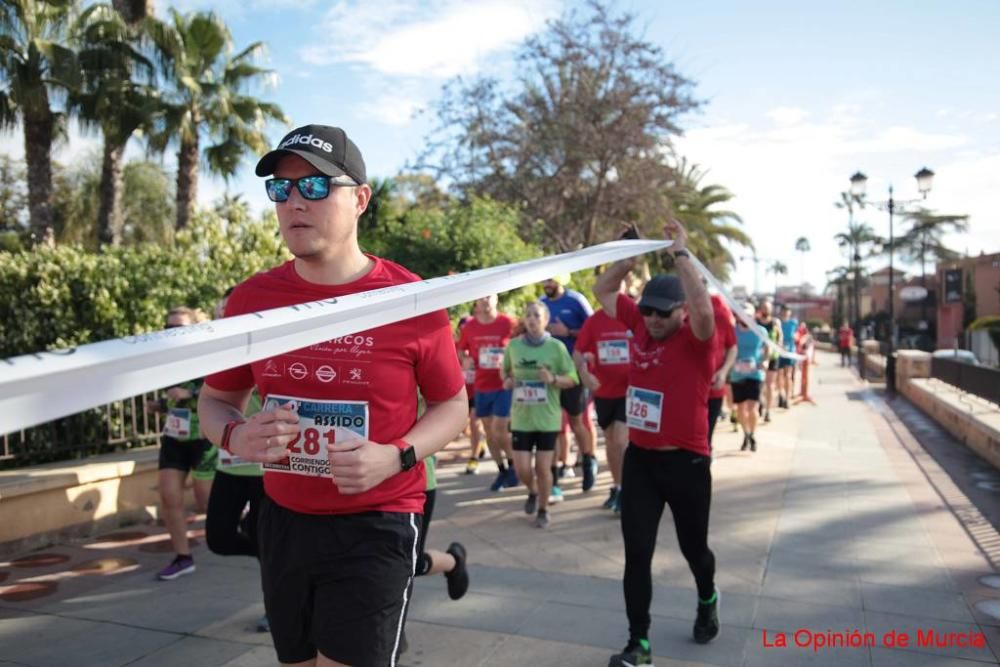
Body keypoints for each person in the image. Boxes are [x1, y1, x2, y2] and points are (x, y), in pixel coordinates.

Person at [197, 124, 468, 667]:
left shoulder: (410, 298)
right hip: (284, 517)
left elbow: (452, 405)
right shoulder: (254, 299)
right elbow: (216, 399)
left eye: (315, 186)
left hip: (380, 517)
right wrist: (236, 435)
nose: (295, 201)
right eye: (282, 189)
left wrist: (396, 455)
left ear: (360, 199)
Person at [595, 220, 720, 667]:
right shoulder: (641, 326)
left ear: (681, 311)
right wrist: (627, 258)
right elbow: (604, 290)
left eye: (663, 312)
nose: (652, 318)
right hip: (642, 462)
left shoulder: (697, 341)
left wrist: (681, 254)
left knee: (694, 550)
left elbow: (705, 315)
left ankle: (707, 596)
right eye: (648, 310)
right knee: (637, 553)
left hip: (686, 464)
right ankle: (639, 643)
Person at [204, 290, 269, 632]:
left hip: (263, 468)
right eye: (220, 313)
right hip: (228, 463)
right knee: (218, 537)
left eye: (227, 312)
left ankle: (275, 603)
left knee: (266, 538)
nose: (222, 317)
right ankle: (273, 554)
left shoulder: (267, 347)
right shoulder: (218, 355)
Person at [147, 306, 217, 581]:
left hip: (203, 437)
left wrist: (190, 392)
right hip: (175, 437)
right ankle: (183, 556)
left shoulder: (208, 357)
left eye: (180, 328)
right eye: (168, 329)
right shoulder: (166, 362)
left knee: (205, 503)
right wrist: (159, 405)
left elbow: (220, 389)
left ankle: (244, 522)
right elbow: (172, 398)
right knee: (169, 496)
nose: (173, 333)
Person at [501, 301, 579, 528]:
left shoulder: (556, 348)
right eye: (528, 315)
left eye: (537, 315)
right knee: (522, 468)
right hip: (521, 417)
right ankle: (533, 491)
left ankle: (543, 509)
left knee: (543, 468)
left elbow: (573, 378)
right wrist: (508, 381)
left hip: (547, 418)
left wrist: (553, 379)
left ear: (546, 320)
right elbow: (504, 375)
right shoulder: (514, 347)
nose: (532, 319)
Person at [574, 278, 631, 513]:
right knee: (610, 441)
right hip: (604, 391)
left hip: (630, 391)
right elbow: (578, 352)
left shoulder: (635, 315)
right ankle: (617, 487)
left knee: (621, 440)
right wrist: (584, 374)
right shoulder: (594, 321)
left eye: (619, 285)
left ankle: (629, 490)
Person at [540, 275, 599, 492]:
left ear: (560, 281)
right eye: (544, 282)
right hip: (549, 375)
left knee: (577, 422)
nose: (547, 286)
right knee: (554, 426)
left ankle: (588, 459)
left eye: (550, 281)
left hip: (573, 372)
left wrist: (569, 333)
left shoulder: (576, 301)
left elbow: (594, 330)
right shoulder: (542, 304)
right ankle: (553, 479)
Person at [457, 294, 518, 491]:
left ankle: (513, 465)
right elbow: (460, 350)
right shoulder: (469, 327)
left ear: (496, 299)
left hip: (503, 384)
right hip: (481, 385)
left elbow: (521, 343)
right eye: (480, 297)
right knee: (490, 433)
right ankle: (502, 470)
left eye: (488, 296)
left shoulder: (508, 322)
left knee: (500, 428)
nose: (484, 300)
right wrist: (465, 360)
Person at [730, 304, 768, 452]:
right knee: (740, 409)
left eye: (748, 315)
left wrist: (765, 361)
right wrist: (731, 363)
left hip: (755, 374)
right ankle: (746, 433)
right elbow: (727, 348)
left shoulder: (760, 331)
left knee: (753, 407)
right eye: (742, 314)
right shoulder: (733, 331)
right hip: (737, 374)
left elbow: (767, 349)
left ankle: (752, 435)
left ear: (753, 316)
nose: (744, 317)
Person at [707, 293, 737, 449]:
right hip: (689, 390)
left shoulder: (721, 316)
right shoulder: (683, 314)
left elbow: (732, 346)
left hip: (714, 388)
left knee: (707, 434)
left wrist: (724, 371)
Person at [755, 301, 782, 423]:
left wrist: (777, 348)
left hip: (772, 357)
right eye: (763, 307)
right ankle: (761, 402)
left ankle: (768, 411)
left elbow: (780, 337)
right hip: (759, 357)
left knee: (770, 385)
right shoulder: (756, 322)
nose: (765, 310)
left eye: (767, 308)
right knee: (760, 384)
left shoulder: (775, 322)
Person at [777, 306, 799, 408]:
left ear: (789, 313)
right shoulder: (777, 323)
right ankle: (780, 395)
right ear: (781, 313)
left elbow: (798, 335)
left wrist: (796, 337)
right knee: (779, 376)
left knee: (788, 375)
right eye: (783, 312)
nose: (785, 314)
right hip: (778, 352)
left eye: (787, 313)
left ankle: (787, 398)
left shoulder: (793, 323)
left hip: (789, 352)